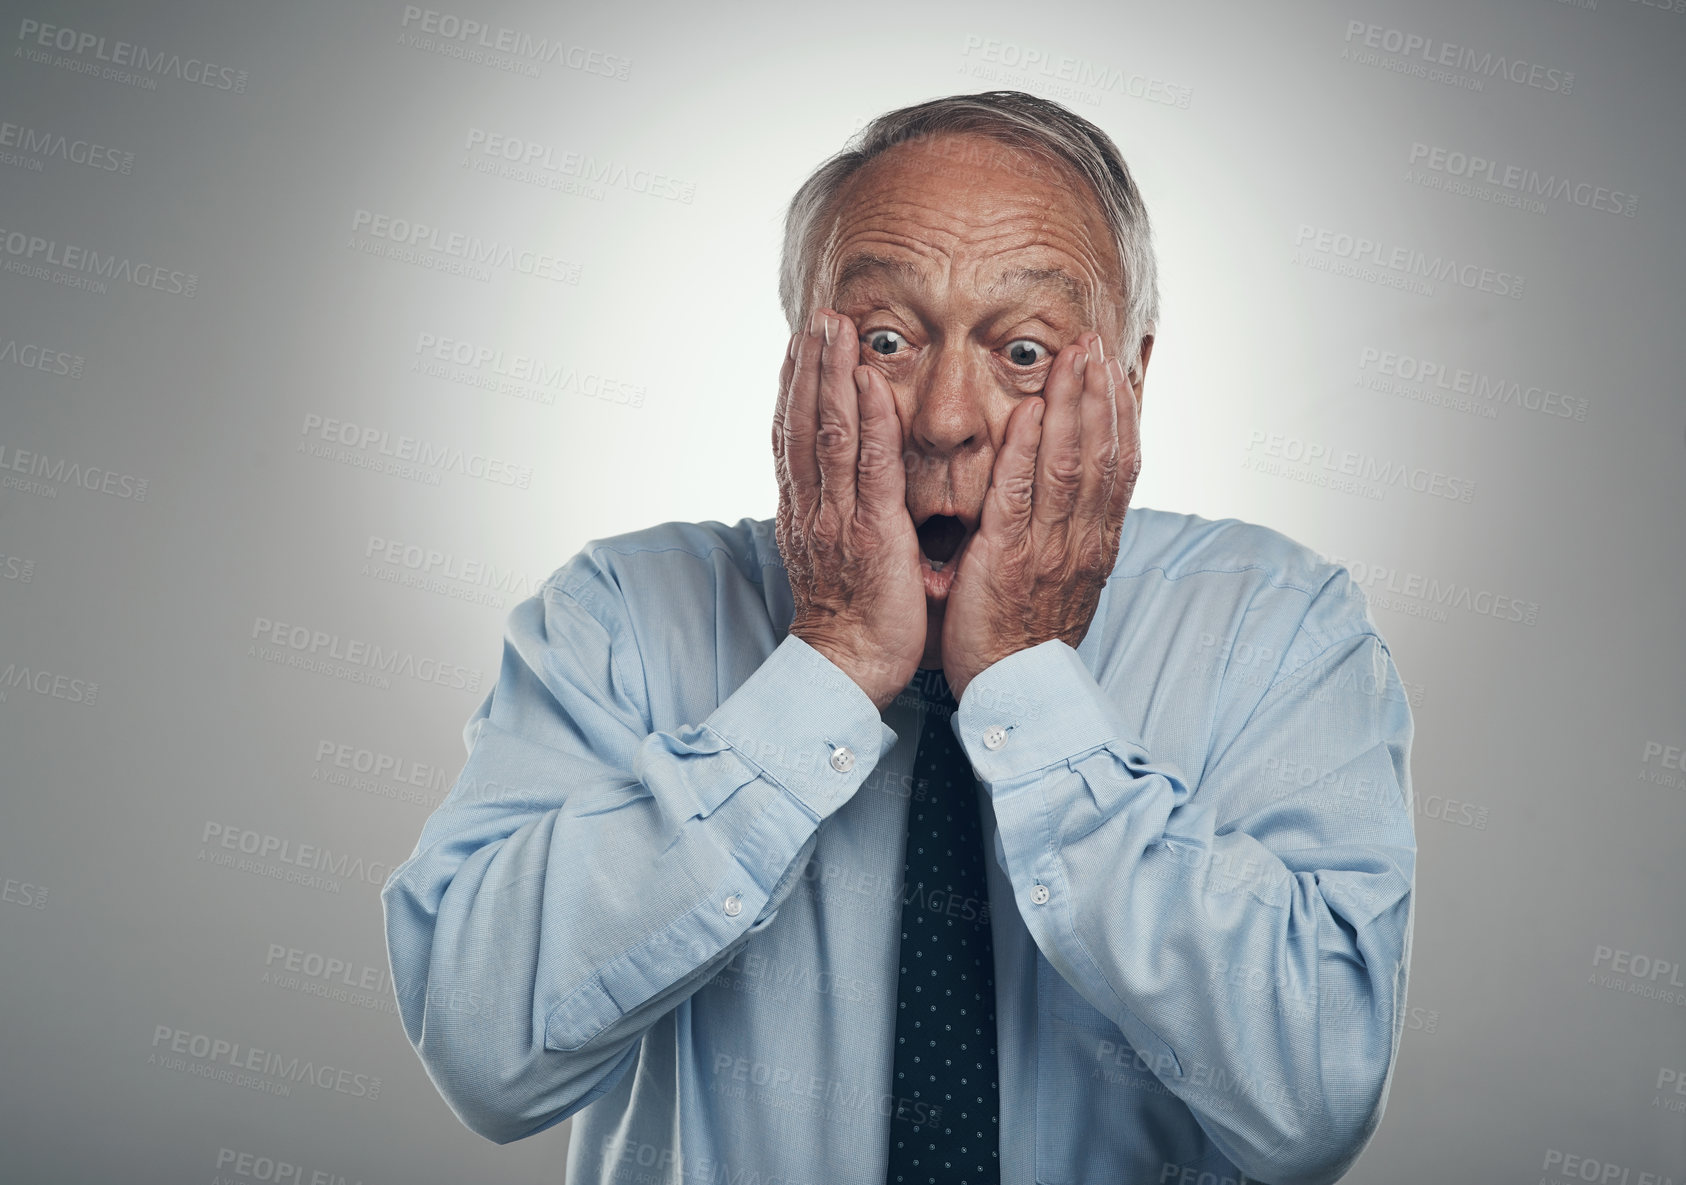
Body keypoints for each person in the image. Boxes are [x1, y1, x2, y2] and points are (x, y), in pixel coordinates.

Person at [382, 90, 1417, 1185]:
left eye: (1024, 351)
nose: (943, 418)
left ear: (1133, 382)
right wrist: (826, 666)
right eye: (885, 340)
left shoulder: (1278, 625)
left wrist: (1028, 683)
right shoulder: (623, 614)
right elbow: (483, 1054)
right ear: (800, 368)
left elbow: (1314, 1100)